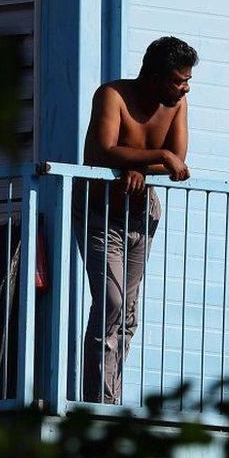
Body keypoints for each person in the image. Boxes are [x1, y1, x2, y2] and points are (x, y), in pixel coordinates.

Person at [74, 36, 197, 404]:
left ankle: (109, 395)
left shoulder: (177, 105)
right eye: (178, 80)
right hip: (101, 212)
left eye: (187, 80)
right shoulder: (112, 95)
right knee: (111, 302)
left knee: (127, 312)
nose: (184, 87)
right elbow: (102, 151)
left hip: (141, 214)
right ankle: (99, 399)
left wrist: (136, 164)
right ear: (154, 76)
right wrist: (148, 157)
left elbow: (177, 162)